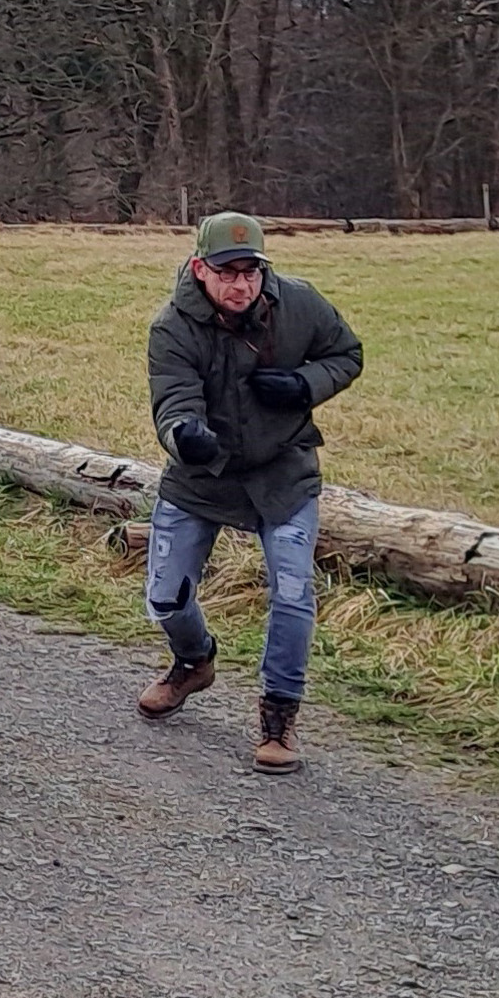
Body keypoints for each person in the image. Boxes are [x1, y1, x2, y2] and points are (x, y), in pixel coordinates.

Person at [139, 213, 363, 773]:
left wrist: (304, 386)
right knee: (165, 596)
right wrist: (184, 436)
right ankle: (193, 662)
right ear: (200, 270)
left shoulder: (301, 304)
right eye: (227, 273)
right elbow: (173, 402)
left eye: (251, 272)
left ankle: (279, 715)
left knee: (292, 593)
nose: (241, 285)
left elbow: (348, 354)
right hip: (202, 477)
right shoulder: (172, 327)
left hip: (283, 473)